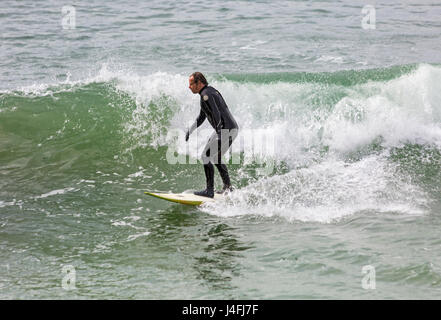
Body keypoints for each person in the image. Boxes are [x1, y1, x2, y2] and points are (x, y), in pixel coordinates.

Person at [186, 72, 239, 198]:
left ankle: (209, 190)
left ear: (199, 83)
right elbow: (202, 116)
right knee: (216, 157)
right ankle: (228, 188)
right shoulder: (208, 92)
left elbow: (215, 112)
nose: (189, 87)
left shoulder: (206, 95)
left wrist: (220, 131)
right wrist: (191, 129)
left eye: (191, 84)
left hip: (225, 130)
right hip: (232, 129)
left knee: (206, 156)